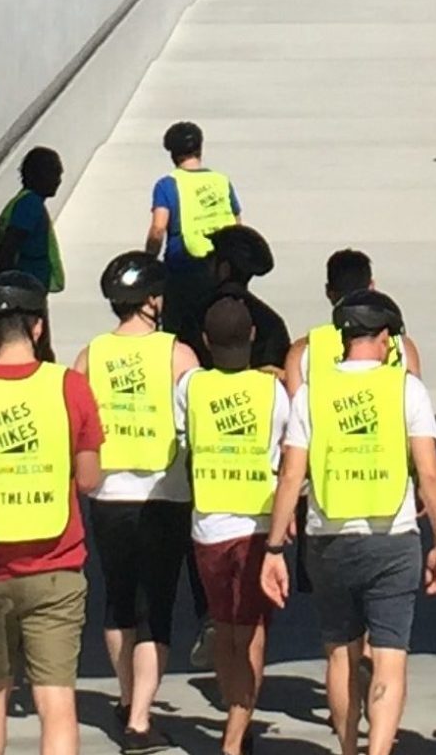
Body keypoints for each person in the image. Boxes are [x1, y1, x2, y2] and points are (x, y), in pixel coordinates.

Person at [262, 291, 436, 755]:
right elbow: (428, 470)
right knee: (389, 659)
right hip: (393, 537)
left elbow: (291, 473)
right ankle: (379, 749)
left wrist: (273, 548)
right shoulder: (405, 387)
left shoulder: (312, 392)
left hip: (328, 540)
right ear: (385, 336)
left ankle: (348, 748)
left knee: (341, 654)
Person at [0, 272, 107, 755]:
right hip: (56, 567)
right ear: (38, 328)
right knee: (56, 700)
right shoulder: (70, 387)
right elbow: (89, 478)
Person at [73, 253, 199, 754]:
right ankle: (141, 720)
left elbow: (78, 423)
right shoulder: (178, 354)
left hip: (108, 495)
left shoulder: (89, 355)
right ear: (151, 300)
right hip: (163, 494)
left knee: (119, 600)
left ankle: (127, 698)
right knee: (157, 609)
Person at [175, 295, 291, 755]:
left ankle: (233, 715)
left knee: (223, 627)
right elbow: (286, 454)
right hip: (258, 524)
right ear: (252, 337)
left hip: (208, 528)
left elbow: (183, 438)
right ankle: (235, 736)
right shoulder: (273, 392)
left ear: (204, 342)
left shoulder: (191, 386)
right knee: (253, 630)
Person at [145, 121, 240, 342]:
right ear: (200, 148)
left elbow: (158, 229)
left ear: (172, 154)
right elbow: (237, 224)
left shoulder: (167, 185)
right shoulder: (221, 181)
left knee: (179, 337)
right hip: (221, 270)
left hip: (183, 270)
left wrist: (149, 263)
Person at [285, 249, 423, 388]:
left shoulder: (301, 351)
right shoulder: (403, 347)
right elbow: (414, 398)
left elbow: (295, 405)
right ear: (372, 286)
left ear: (329, 292)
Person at [202, 224, 290, 371]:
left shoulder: (196, 315)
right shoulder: (271, 323)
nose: (205, 259)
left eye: (212, 254)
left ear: (224, 267)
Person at [0, 149, 66, 295]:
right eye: (54, 173)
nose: (58, 180)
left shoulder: (25, 202)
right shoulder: (29, 204)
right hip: (24, 293)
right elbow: (8, 248)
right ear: (37, 175)